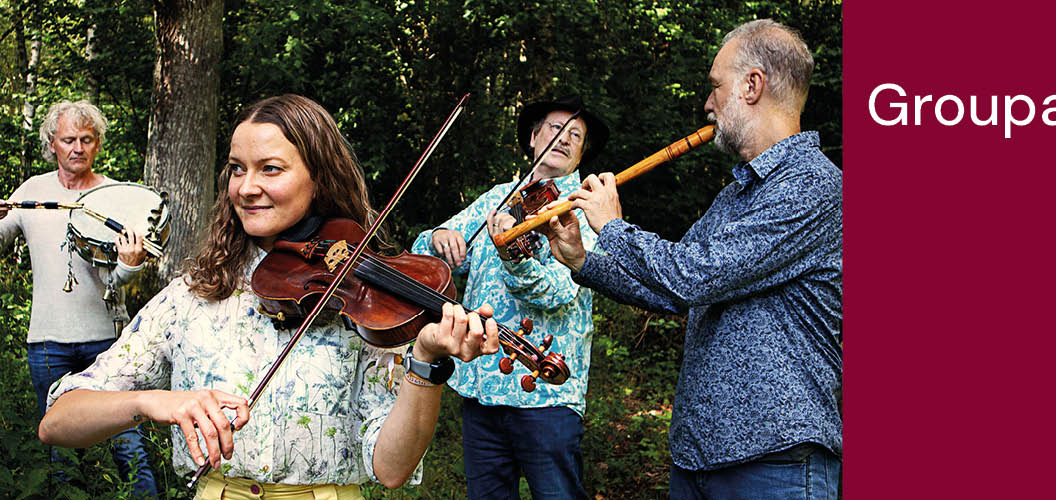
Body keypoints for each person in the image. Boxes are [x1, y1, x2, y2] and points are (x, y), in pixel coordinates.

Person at [37, 94, 500, 499]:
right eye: (237, 169)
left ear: (318, 178)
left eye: (270, 169)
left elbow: (391, 469)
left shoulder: (369, 303)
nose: (247, 187)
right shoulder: (194, 293)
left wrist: (425, 360)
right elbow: (57, 421)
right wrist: (155, 402)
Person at [536, 20, 842, 499]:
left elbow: (691, 275)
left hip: (776, 461)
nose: (707, 103)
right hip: (698, 459)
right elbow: (672, 291)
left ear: (752, 85)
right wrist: (582, 261)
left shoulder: (813, 186)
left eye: (715, 87)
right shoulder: (736, 195)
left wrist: (613, 228)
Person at [410, 94, 610, 499]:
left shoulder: (586, 209)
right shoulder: (497, 197)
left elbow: (558, 292)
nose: (565, 138)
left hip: (546, 393)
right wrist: (437, 238)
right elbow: (425, 262)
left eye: (576, 135)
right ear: (534, 138)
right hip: (482, 384)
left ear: (582, 152)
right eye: (555, 129)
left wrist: (512, 256)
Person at [0, 99, 158, 498]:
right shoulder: (32, 191)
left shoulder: (117, 196)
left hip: (108, 340)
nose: (77, 148)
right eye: (68, 139)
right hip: (48, 342)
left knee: (128, 441)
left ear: (97, 144)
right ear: (51, 142)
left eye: (86, 140)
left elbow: (117, 280)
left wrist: (131, 264)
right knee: (60, 451)